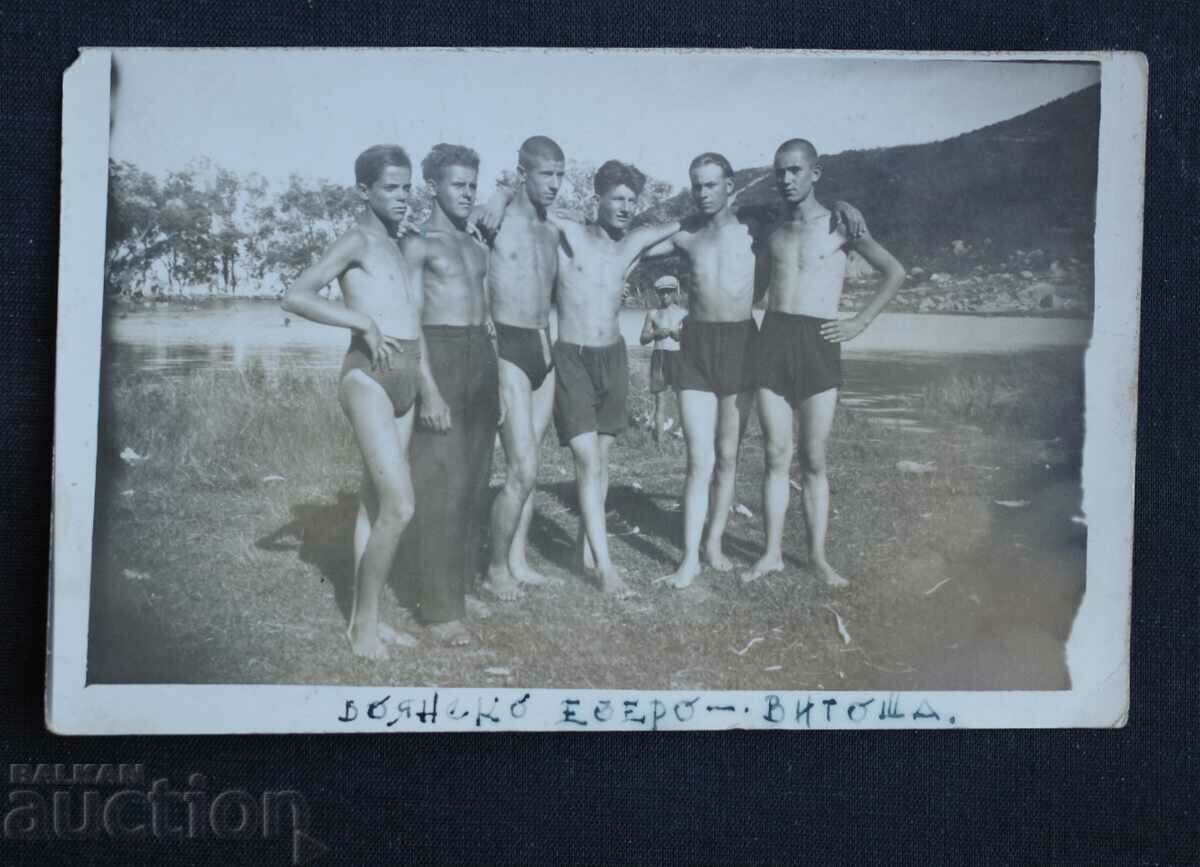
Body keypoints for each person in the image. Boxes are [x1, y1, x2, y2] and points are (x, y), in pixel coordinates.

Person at [642, 153, 864, 589]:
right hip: (697, 347)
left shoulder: (756, 226)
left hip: (744, 343)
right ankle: (688, 560)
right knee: (698, 459)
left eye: (711, 185)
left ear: (730, 185)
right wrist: (682, 219)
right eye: (696, 185)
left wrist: (845, 205)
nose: (703, 193)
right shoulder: (687, 236)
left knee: (728, 457)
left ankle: (714, 544)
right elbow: (644, 248)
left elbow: (805, 210)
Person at [281, 144, 428, 660]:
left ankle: (369, 621)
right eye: (391, 187)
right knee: (401, 505)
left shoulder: (398, 242)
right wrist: (362, 322)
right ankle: (362, 628)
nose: (403, 197)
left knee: (373, 503)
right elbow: (296, 295)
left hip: (406, 374)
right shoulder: (358, 240)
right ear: (364, 190)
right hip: (367, 377)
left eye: (407, 187)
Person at [742, 138, 905, 587]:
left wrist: (860, 322)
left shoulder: (840, 224)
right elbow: (754, 292)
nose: (787, 179)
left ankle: (817, 558)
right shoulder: (772, 229)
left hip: (819, 340)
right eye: (780, 171)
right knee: (776, 454)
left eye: (796, 170)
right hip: (773, 338)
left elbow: (894, 271)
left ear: (815, 173)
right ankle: (772, 554)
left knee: (813, 457)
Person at [395, 144, 500, 647]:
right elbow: (410, 323)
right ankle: (438, 609)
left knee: (476, 481)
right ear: (432, 185)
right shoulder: (421, 245)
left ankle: (460, 584)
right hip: (440, 353)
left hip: (482, 355)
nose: (466, 193)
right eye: (457, 184)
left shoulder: (478, 245)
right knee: (441, 483)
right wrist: (429, 390)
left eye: (471, 185)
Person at [477, 136, 566, 601]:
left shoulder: (553, 230)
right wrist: (499, 192)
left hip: (542, 346)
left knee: (531, 465)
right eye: (546, 174)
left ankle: (518, 560)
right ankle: (494, 570)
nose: (554, 184)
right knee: (522, 468)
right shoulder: (494, 218)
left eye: (560, 175)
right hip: (507, 344)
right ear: (523, 172)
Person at [639, 274, 687, 442]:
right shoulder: (653, 314)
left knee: (683, 397)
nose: (664, 295)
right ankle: (659, 441)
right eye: (661, 292)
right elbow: (643, 339)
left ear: (674, 293)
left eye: (668, 292)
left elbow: (691, 339)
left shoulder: (683, 314)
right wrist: (655, 333)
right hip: (659, 357)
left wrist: (678, 334)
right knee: (660, 399)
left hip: (678, 357)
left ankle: (686, 435)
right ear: (657, 294)